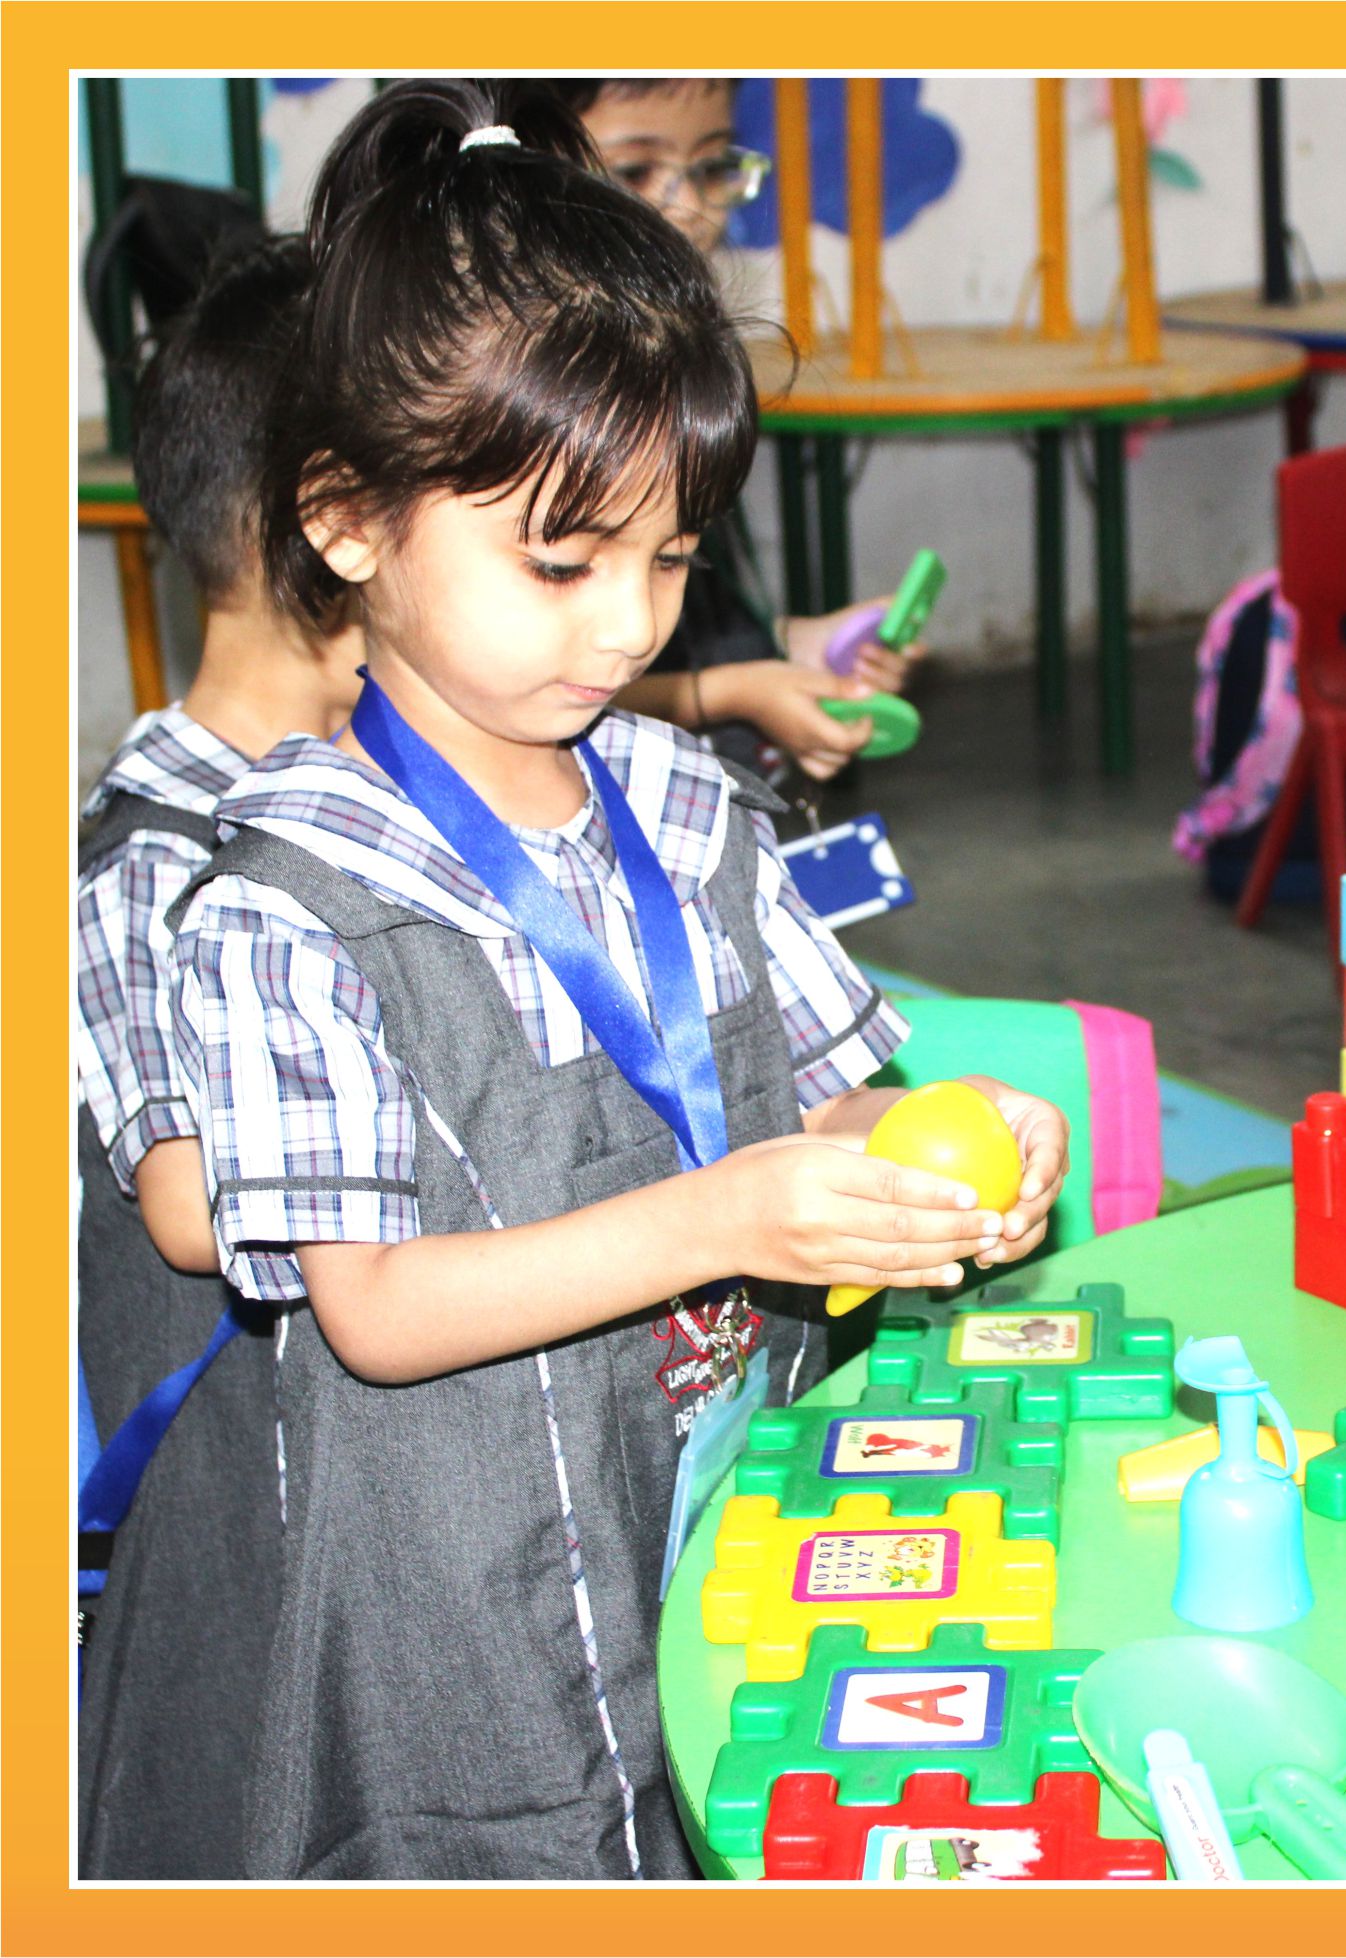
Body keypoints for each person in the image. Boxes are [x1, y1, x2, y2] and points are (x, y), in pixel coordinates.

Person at [165, 81, 1065, 1879]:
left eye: (670, 557)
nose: (630, 624)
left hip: (730, 1512)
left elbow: (828, 1097)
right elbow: (374, 1307)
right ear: (346, 520)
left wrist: (935, 1146)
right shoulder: (280, 903)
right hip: (470, 1617)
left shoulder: (686, 796)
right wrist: (726, 1212)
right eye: (561, 561)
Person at [75, 236, 363, 1878]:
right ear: (334, 525)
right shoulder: (150, 861)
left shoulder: (362, 794)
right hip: (238, 1555)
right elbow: (190, 1209)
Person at [550, 74, 915, 785]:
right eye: (635, 171)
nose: (691, 209)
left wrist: (797, 647)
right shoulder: (539, 398)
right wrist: (735, 691)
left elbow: (683, 630)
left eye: (712, 165)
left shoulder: (672, 360)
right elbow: (512, 686)